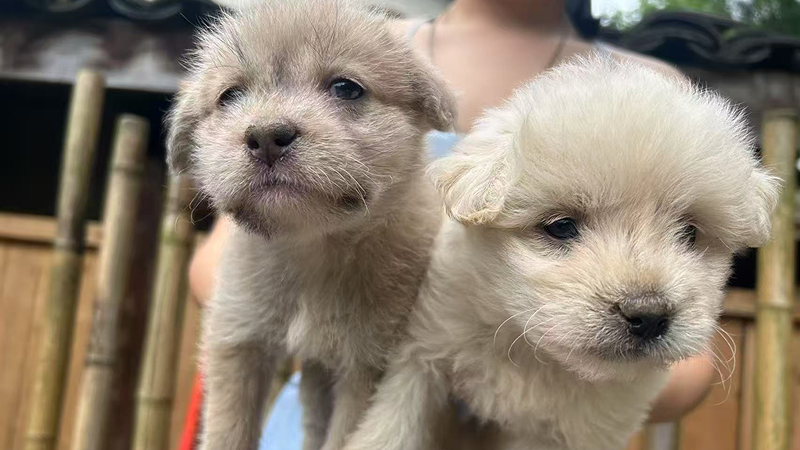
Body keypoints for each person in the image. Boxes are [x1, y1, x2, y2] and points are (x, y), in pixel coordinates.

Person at [187, 0, 716, 446]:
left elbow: (689, 363)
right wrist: (346, 314)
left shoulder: (650, 88)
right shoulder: (356, 35)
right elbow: (219, 267)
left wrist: (543, 373)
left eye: (346, 91)